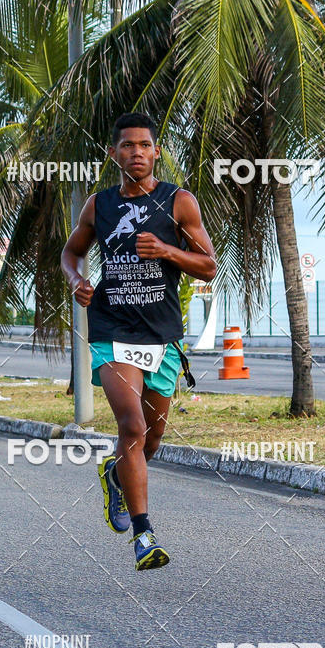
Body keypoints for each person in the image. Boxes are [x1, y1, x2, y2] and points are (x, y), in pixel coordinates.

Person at [62, 112, 216, 570]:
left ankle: (115, 472)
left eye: (144, 145)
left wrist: (167, 250)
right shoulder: (99, 205)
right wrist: (75, 280)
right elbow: (72, 252)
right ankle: (144, 535)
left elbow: (208, 265)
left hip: (162, 335)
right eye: (127, 145)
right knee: (130, 426)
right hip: (112, 330)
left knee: (150, 440)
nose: (136, 153)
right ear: (114, 154)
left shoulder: (179, 201)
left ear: (157, 151)